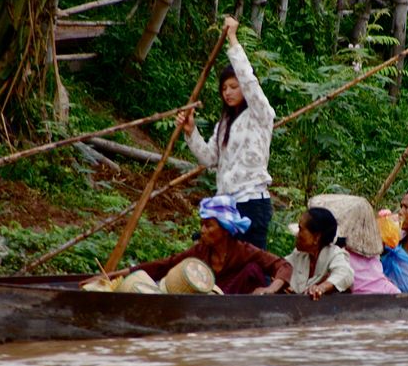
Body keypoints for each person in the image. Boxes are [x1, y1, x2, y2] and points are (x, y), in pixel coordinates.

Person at [176, 16, 274, 249]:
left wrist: (232, 39)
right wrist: (191, 132)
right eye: (224, 89)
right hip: (226, 205)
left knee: (252, 264)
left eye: (233, 87)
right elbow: (210, 159)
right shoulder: (224, 124)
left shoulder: (260, 113)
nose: (228, 93)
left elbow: (249, 81)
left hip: (251, 202)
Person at [123, 195, 291, 295]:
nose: (202, 230)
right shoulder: (200, 251)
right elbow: (165, 265)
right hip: (214, 302)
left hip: (240, 305)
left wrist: (270, 289)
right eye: (202, 224)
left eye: (208, 225)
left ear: (225, 230)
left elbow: (283, 266)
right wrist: (115, 275)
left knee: (252, 270)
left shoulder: (244, 251)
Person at [285, 207, 354, 300]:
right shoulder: (299, 254)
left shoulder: (334, 254)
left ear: (316, 237)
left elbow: (345, 274)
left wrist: (321, 288)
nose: (297, 234)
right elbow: (282, 266)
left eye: (301, 229)